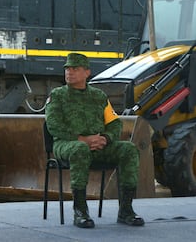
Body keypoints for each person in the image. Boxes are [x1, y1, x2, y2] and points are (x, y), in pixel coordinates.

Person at [45, 53, 145, 229]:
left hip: (98, 145)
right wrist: (82, 139)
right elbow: (53, 125)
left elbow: (115, 124)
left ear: (87, 73)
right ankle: (80, 212)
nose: (70, 72)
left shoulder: (99, 96)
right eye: (67, 69)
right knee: (80, 149)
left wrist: (105, 139)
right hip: (66, 144)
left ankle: (126, 210)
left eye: (75, 69)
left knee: (128, 149)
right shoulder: (57, 96)